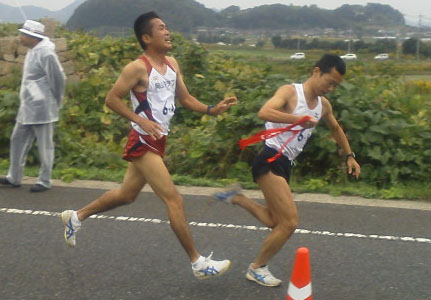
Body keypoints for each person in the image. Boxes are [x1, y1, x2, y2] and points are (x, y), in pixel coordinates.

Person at [60, 12, 237, 279]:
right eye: (161, 28)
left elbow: (186, 98)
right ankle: (198, 263)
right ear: (146, 37)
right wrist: (139, 121)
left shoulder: (173, 63)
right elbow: (112, 99)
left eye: (167, 27)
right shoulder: (137, 68)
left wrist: (213, 109)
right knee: (173, 199)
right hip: (143, 141)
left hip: (159, 139)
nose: (168, 32)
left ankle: (76, 216)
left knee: (126, 195)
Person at [213, 54, 361, 287]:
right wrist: (297, 119)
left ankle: (237, 198)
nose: (331, 88)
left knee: (275, 222)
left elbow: (336, 129)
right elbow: (265, 111)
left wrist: (350, 156)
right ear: (316, 72)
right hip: (270, 158)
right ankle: (257, 268)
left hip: (285, 164)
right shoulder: (291, 92)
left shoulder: (324, 106)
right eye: (329, 81)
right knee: (289, 223)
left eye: (336, 85)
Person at [0, 20, 65, 193]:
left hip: (43, 107)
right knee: (17, 139)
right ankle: (14, 177)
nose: (20, 38)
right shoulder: (32, 51)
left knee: (45, 145)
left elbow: (58, 79)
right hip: (27, 106)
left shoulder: (46, 53)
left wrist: (56, 101)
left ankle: (44, 180)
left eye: (23, 35)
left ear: (33, 37)